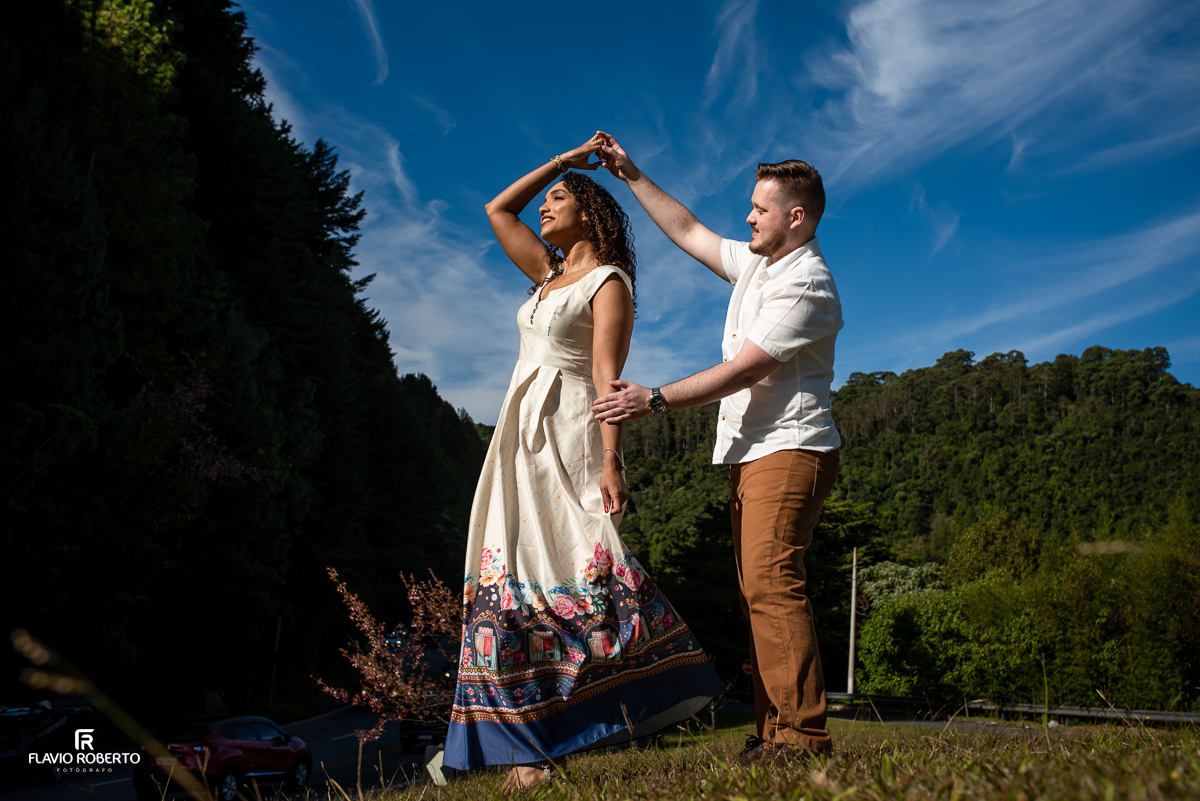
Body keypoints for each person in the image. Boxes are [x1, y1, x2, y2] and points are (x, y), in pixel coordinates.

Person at [443, 134, 725, 790]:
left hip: (567, 435)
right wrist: (564, 161)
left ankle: (580, 721)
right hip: (517, 438)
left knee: (572, 571)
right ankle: (530, 745)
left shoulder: (608, 281)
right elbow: (496, 210)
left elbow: (607, 380)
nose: (544, 206)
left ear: (590, 213)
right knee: (512, 577)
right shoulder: (547, 271)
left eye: (558, 198)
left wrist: (611, 461)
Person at [591, 133, 843, 763]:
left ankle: (803, 739)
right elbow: (689, 231)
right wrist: (631, 174)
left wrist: (652, 399)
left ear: (797, 217)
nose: (748, 218)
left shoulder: (807, 284)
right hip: (752, 453)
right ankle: (774, 735)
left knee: (772, 584)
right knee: (758, 590)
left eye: (760, 208)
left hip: (789, 449)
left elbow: (745, 370)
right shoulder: (761, 263)